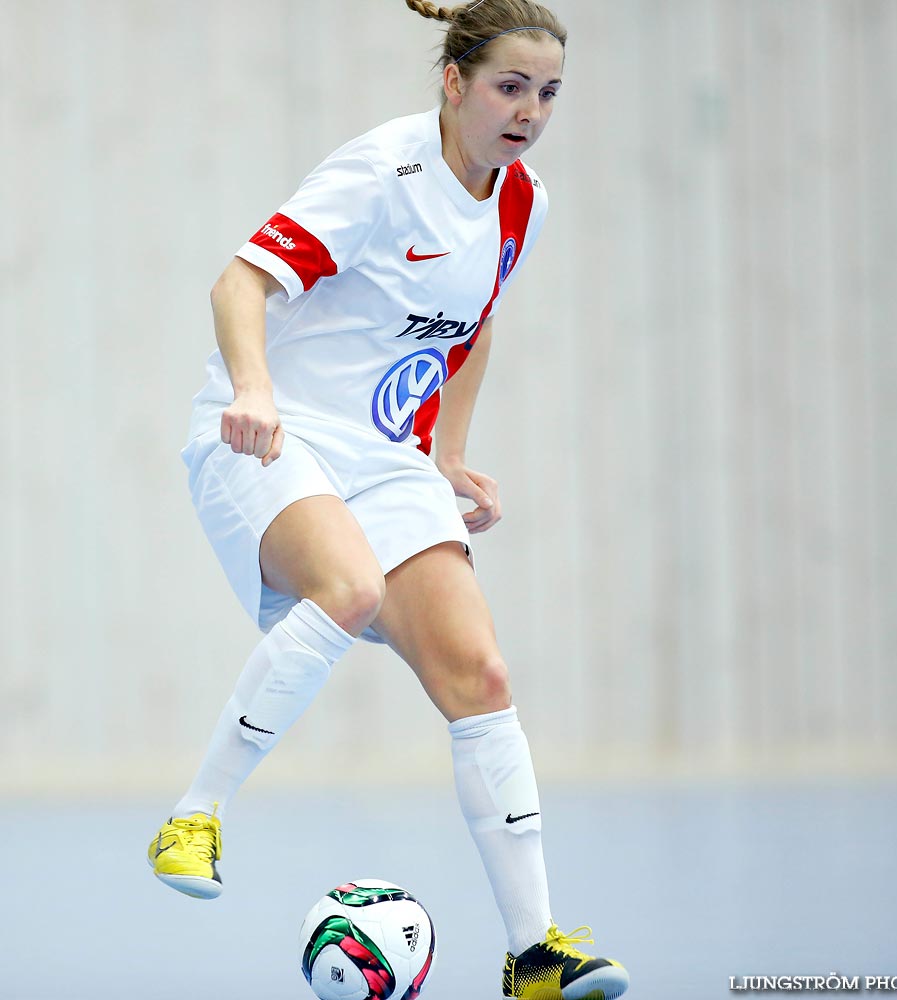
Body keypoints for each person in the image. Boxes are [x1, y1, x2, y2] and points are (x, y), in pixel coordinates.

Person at [147, 2, 629, 997]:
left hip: (384, 455)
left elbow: (474, 321)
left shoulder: (519, 200)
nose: (529, 111)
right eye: (508, 87)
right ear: (452, 83)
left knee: (480, 674)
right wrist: (252, 390)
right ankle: (192, 819)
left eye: (547, 93)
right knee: (349, 587)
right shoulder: (383, 173)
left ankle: (533, 954)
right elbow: (239, 282)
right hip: (273, 433)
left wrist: (448, 455)